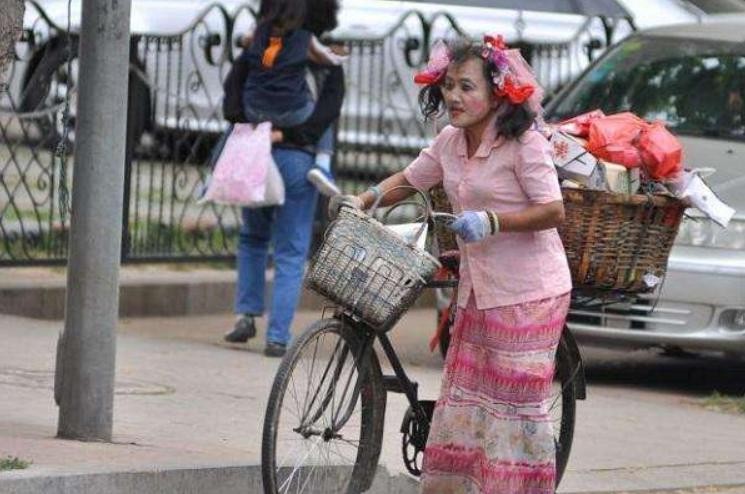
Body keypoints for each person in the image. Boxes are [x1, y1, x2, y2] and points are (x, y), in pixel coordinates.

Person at [329, 35, 572, 493]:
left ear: (496, 94)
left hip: (529, 292)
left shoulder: (525, 145)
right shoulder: (449, 142)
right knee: (466, 403)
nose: (454, 97)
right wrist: (363, 200)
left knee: (509, 409)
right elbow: (410, 179)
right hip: (477, 288)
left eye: (467, 87)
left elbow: (553, 210)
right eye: (448, 86)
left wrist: (493, 221)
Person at [223, 1, 345, 358]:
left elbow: (233, 92)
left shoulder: (258, 41)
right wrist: (297, 135)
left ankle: (246, 315)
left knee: (252, 237)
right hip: (297, 158)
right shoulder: (311, 48)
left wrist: (253, 125)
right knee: (291, 250)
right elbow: (329, 104)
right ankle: (277, 337)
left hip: (255, 150)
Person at [237, 0, 344, 197]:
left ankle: (214, 169)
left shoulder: (258, 33)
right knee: (323, 118)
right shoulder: (305, 39)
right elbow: (327, 60)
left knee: (234, 128)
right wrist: (338, 56)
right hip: (293, 117)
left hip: (254, 113)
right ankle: (322, 164)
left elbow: (244, 48)